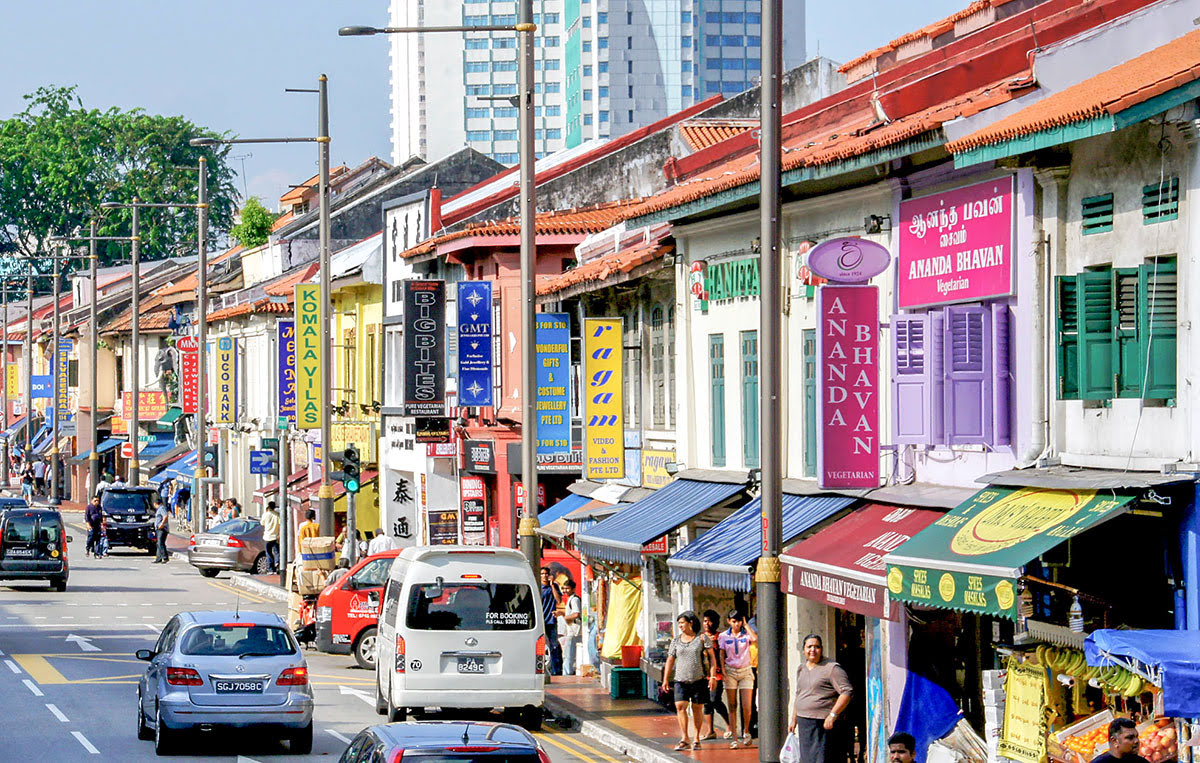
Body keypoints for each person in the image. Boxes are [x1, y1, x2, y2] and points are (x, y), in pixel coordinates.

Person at [788, 634, 854, 763]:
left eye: (816, 647)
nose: (813, 650)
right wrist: (793, 720)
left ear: (821, 649)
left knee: (822, 759)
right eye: (809, 647)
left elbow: (847, 691)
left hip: (822, 723)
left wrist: (833, 715)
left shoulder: (832, 668)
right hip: (804, 722)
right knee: (807, 759)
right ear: (803, 650)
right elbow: (799, 694)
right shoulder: (801, 668)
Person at [663, 611, 718, 752]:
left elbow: (712, 658)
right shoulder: (675, 641)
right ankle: (684, 738)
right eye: (679, 624)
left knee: (697, 708)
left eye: (682, 623)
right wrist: (665, 679)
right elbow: (670, 659)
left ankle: (697, 738)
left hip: (698, 679)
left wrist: (712, 676)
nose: (680, 626)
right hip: (680, 679)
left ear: (691, 622)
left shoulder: (702, 638)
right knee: (680, 706)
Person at [720, 609, 758, 748]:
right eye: (734, 621)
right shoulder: (724, 636)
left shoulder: (745, 634)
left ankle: (746, 731)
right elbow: (722, 653)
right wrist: (723, 670)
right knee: (732, 705)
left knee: (747, 705)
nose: (736, 624)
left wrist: (746, 625)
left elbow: (754, 638)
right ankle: (734, 737)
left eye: (739, 621)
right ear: (729, 621)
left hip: (745, 670)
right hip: (730, 671)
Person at [699, 610, 730, 742]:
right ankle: (710, 730)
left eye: (710, 621)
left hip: (717, 675)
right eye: (705, 621)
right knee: (707, 703)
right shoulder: (700, 638)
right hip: (704, 675)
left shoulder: (721, 637)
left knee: (715, 700)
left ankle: (730, 726)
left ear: (716, 623)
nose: (707, 624)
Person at [539, 567, 563, 676]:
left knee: (554, 646)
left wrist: (552, 585)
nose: (544, 576)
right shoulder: (539, 588)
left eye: (546, 574)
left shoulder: (554, 586)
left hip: (551, 621)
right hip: (541, 621)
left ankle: (556, 670)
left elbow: (558, 600)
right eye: (542, 574)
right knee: (541, 647)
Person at [559, 579, 582, 676]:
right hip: (572, 630)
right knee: (568, 653)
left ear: (573, 589)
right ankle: (567, 672)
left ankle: (566, 674)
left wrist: (564, 617)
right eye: (564, 588)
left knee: (568, 654)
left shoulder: (574, 599)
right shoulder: (571, 599)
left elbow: (576, 614)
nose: (565, 591)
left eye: (567, 588)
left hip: (573, 631)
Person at [262, 501, 280, 573]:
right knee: (276, 551)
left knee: (268, 553)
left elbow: (262, 523)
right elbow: (280, 524)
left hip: (267, 536)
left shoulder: (265, 515)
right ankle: (277, 561)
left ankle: (271, 569)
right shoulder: (277, 515)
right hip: (275, 536)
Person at [153, 497, 171, 564]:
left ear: (155, 503)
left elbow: (165, 516)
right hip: (158, 528)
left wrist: (162, 524)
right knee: (159, 543)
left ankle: (165, 557)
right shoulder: (159, 509)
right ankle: (158, 558)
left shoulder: (161, 508)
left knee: (161, 543)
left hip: (162, 529)